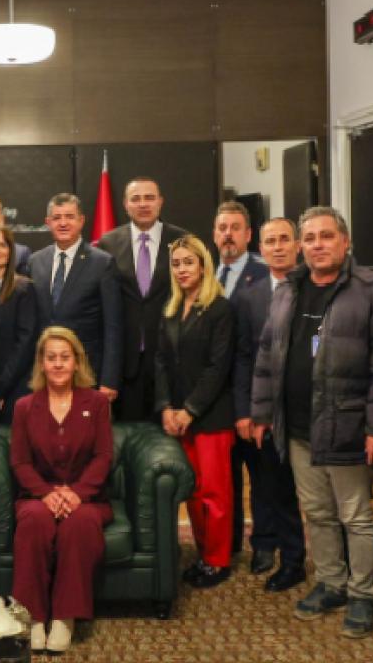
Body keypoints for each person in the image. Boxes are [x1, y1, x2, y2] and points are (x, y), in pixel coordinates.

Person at [251, 206, 373, 638]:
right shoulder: (289, 289)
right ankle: (331, 582)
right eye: (310, 238)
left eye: (326, 236)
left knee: (355, 516)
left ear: (346, 241)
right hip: (297, 428)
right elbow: (267, 353)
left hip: (348, 428)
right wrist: (263, 412)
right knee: (318, 512)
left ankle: (362, 594)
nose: (317, 245)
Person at [10, 327, 113, 655]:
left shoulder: (96, 403)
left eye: (64, 357)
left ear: (76, 362)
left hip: (87, 498)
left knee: (79, 523)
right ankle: (33, 617)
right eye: (51, 357)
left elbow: (103, 456)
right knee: (35, 520)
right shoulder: (24, 406)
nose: (57, 364)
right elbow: (20, 461)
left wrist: (77, 493)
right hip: (38, 496)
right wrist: (45, 493)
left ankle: (65, 618)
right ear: (41, 363)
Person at [155, 234, 236, 588]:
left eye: (188, 262)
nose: (182, 269)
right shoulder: (171, 308)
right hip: (178, 417)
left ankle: (217, 561)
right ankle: (203, 555)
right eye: (176, 264)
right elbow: (160, 361)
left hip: (211, 416)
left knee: (215, 494)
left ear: (203, 265)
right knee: (192, 490)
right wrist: (166, 407)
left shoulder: (220, 308)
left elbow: (218, 367)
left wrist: (190, 409)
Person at [230, 217, 307, 592]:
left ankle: (297, 559)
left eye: (284, 240)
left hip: (305, 408)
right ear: (260, 249)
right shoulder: (249, 296)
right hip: (262, 410)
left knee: (301, 489)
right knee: (265, 482)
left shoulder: (314, 288)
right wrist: (244, 411)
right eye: (270, 241)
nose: (278, 247)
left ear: (297, 245)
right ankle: (266, 547)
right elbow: (243, 357)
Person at [96, 178, 189, 421]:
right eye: (136, 199)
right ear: (125, 204)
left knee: (168, 436)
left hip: (169, 359)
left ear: (160, 202)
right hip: (126, 366)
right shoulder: (108, 243)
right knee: (128, 436)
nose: (143, 204)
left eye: (149, 198)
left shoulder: (182, 240)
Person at [208, 201, 268, 563]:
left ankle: (263, 545)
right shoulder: (205, 275)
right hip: (217, 399)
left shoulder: (264, 275)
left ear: (248, 234)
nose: (227, 234)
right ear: (214, 235)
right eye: (222, 228)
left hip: (253, 394)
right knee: (224, 479)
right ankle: (227, 543)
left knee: (261, 478)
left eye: (234, 228)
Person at [29, 193, 123, 401]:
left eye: (69, 217)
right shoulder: (35, 261)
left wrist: (109, 379)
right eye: (57, 217)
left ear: (81, 220)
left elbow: (113, 326)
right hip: (45, 372)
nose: (63, 223)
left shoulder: (102, 263)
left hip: (87, 371)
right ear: (48, 222)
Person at [0, 225, 37, 426]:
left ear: (11, 251)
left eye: (2, 245)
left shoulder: (24, 288)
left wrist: (1, 386)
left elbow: (25, 344)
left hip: (15, 386)